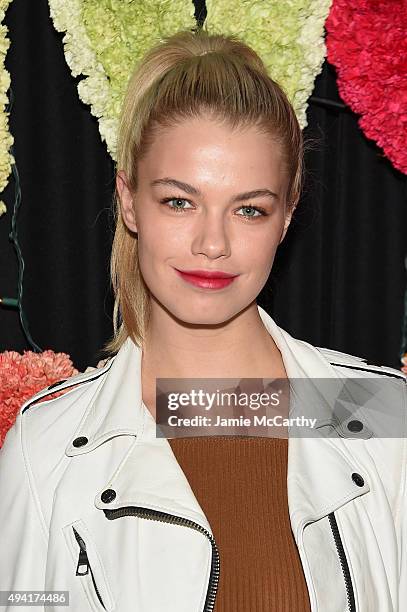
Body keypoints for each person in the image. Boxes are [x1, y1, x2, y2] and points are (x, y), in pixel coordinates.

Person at [0, 27, 406, 612]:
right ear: (130, 201)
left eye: (248, 209)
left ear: (286, 218)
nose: (212, 243)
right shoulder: (49, 451)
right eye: (179, 201)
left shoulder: (379, 418)